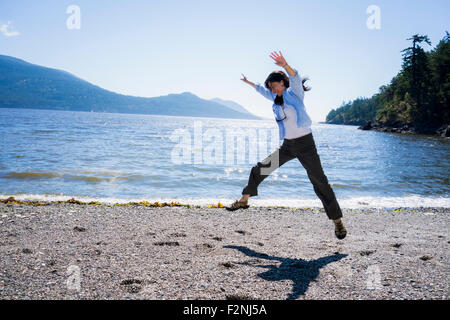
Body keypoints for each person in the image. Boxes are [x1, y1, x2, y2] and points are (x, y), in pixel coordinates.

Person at [225, 51, 347, 240]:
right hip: (288, 145)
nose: (273, 90)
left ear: (282, 83)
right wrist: (249, 83)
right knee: (260, 168)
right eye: (271, 88)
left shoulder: (294, 94)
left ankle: (337, 221)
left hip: (306, 144)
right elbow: (261, 90)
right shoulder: (275, 98)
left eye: (275, 86)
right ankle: (244, 200)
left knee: (319, 181)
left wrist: (285, 65)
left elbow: (295, 77)